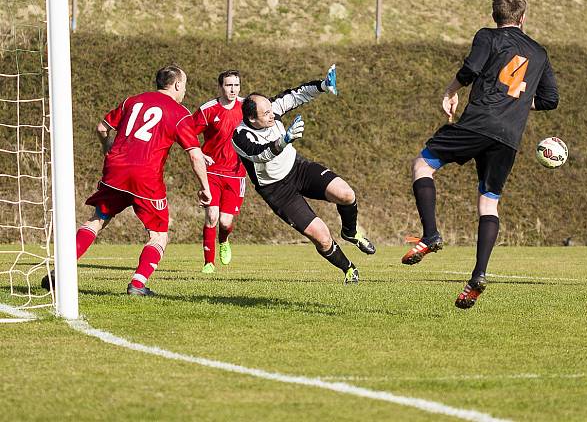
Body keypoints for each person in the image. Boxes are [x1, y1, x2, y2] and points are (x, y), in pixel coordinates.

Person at [404, 0, 559, 309]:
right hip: (509, 137)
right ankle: (478, 274)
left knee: (423, 165)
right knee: (489, 203)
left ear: (495, 17)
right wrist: (515, 104)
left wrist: (451, 90)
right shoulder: (540, 53)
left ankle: (431, 235)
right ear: (523, 18)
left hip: (478, 123)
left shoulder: (488, 36)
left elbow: (470, 69)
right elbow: (550, 99)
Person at [42, 65, 211, 296]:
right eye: (185, 85)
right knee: (159, 234)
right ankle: (138, 284)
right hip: (146, 177)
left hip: (116, 170)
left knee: (97, 219)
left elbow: (102, 127)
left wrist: (107, 147)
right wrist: (205, 188)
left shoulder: (132, 101)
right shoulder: (179, 112)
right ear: (178, 85)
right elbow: (194, 154)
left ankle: (60, 272)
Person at [232, 65, 375, 284]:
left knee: (346, 194)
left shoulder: (273, 109)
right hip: (277, 190)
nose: (272, 115)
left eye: (271, 110)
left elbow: (297, 95)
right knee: (322, 237)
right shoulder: (240, 136)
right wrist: (284, 140)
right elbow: (260, 154)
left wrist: (323, 85)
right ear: (252, 119)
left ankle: (350, 232)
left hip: (299, 168)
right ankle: (349, 269)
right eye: (266, 113)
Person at [193, 70, 246, 273]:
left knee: (225, 222)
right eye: (228, 85)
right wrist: (199, 152)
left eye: (236, 85)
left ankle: (224, 240)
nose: (232, 89)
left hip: (236, 173)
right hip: (212, 172)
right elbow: (186, 134)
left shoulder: (247, 107)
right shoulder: (208, 109)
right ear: (220, 86)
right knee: (212, 216)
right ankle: (208, 263)